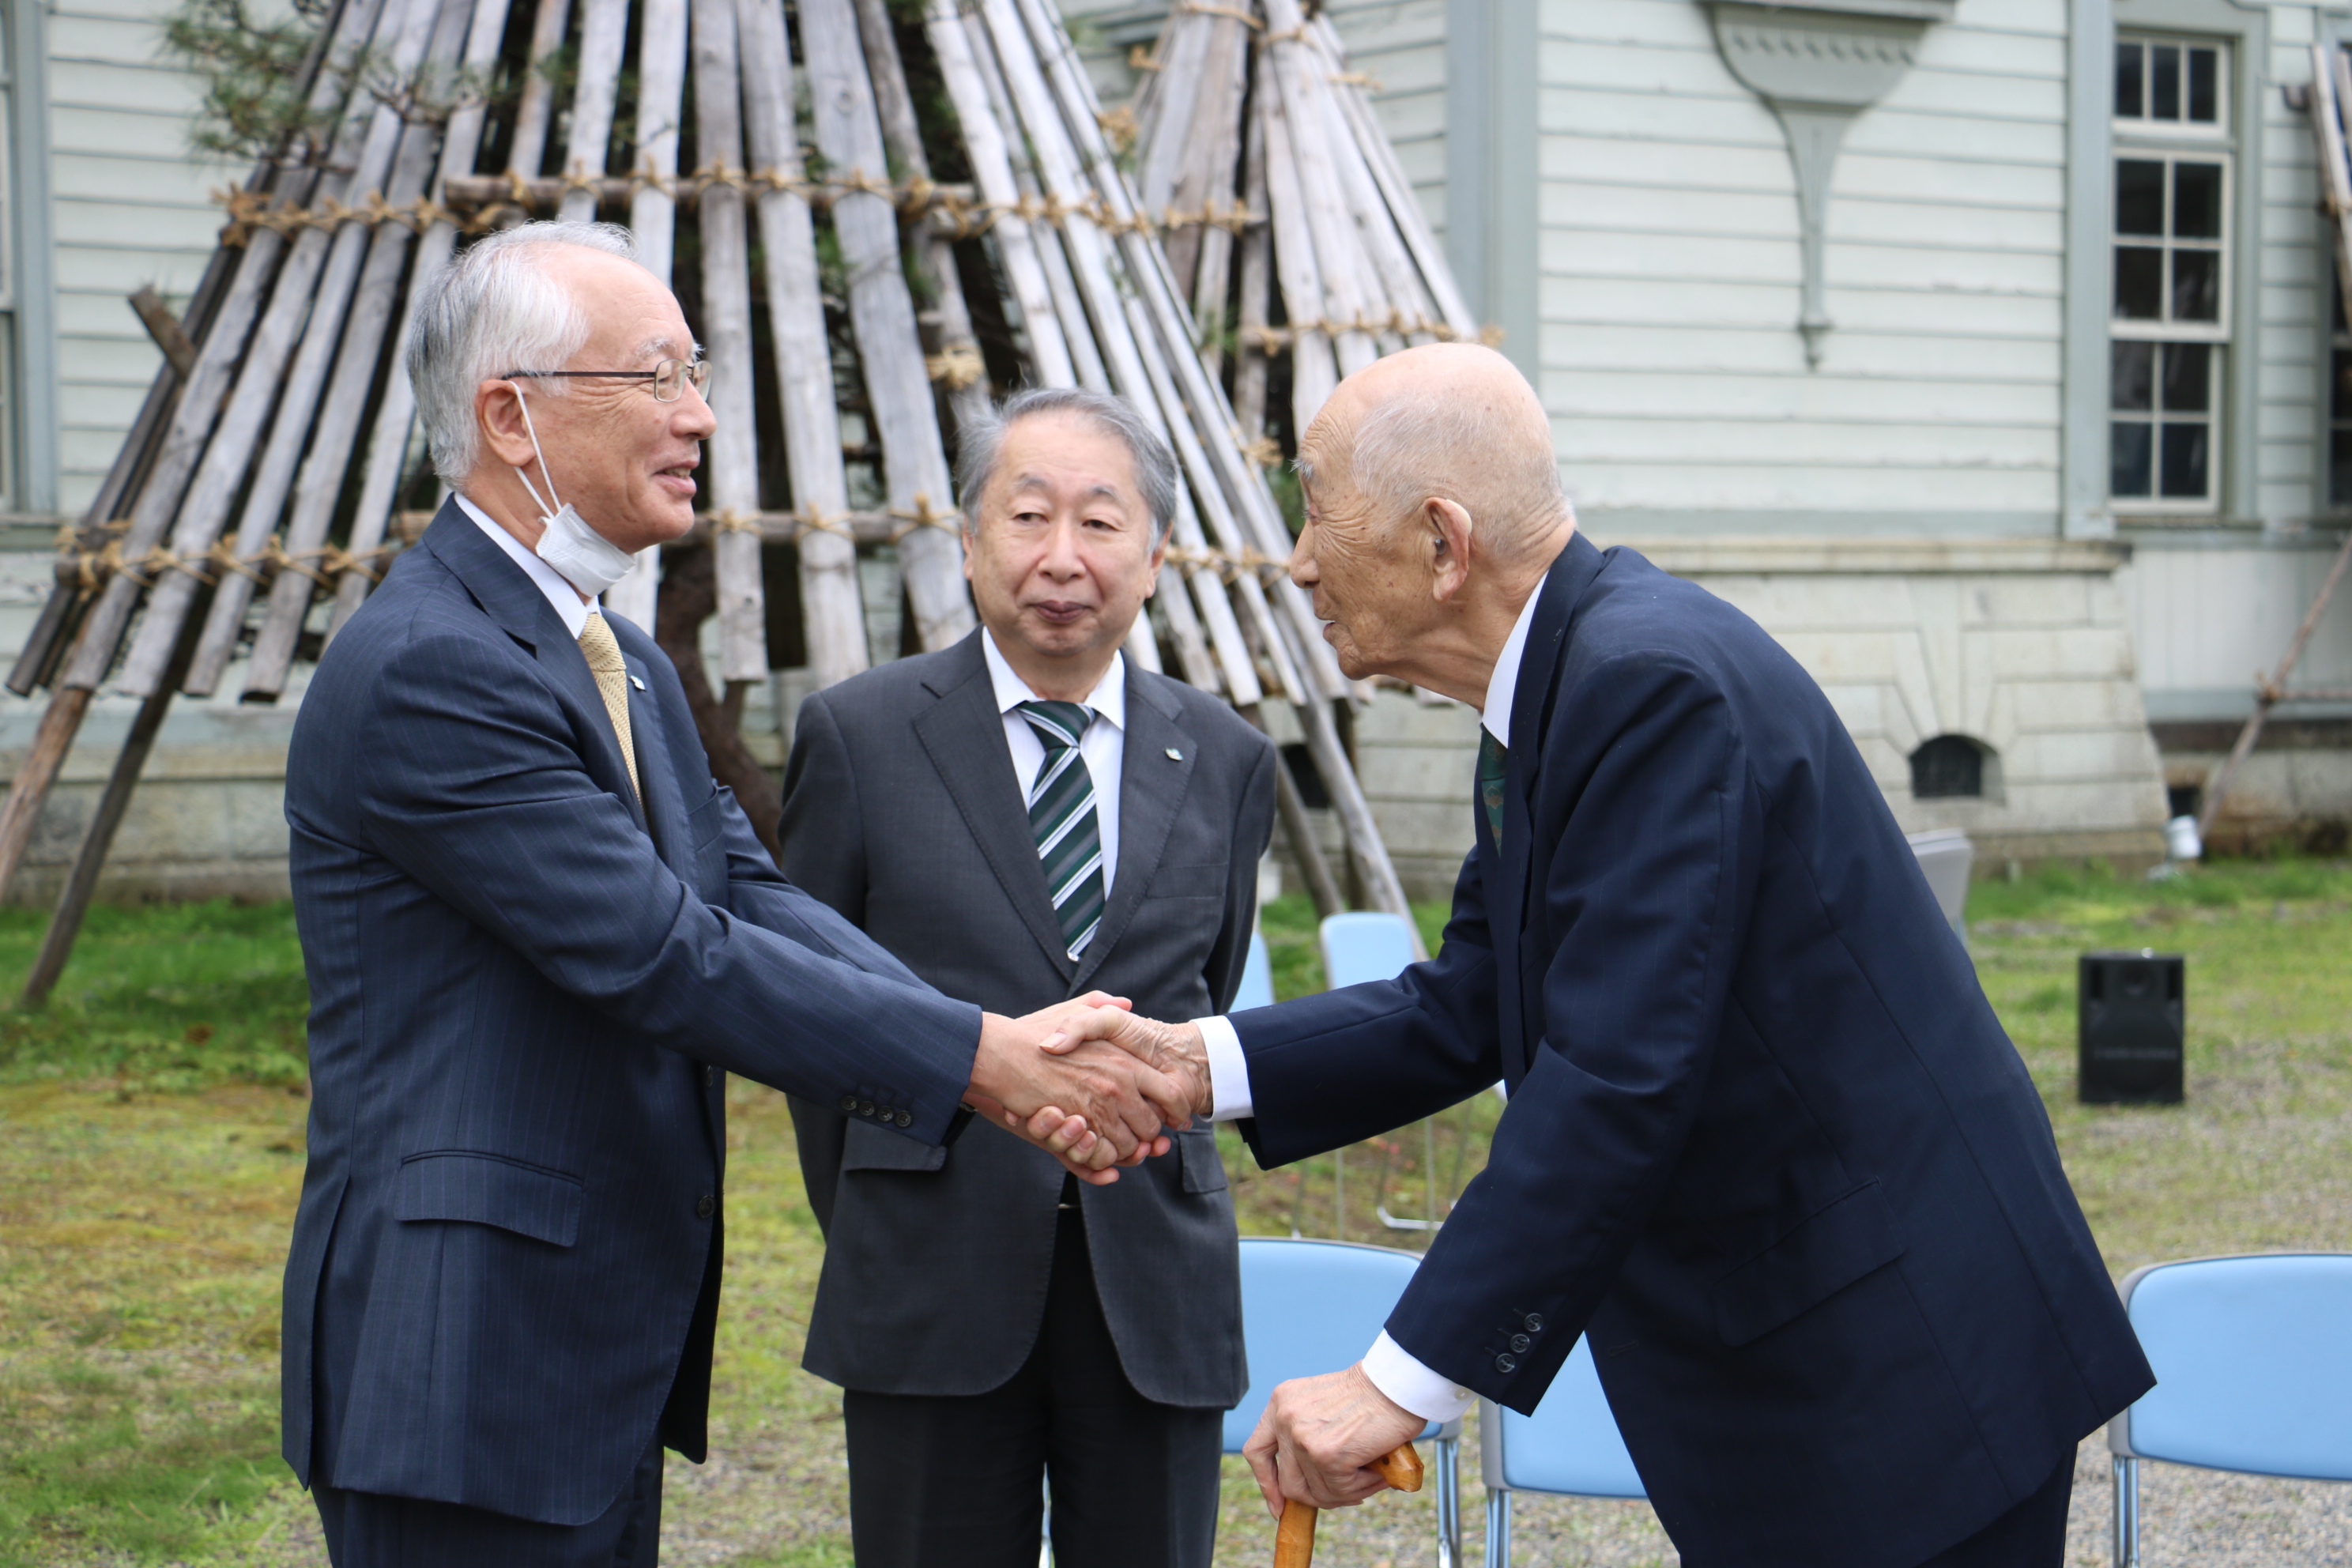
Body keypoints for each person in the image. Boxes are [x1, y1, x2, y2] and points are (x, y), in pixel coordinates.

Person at [1054, 343, 2156, 1568]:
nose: (1299, 557)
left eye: (1317, 508)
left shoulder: (1647, 688)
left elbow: (1614, 1079)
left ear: (1441, 544)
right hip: (1830, 1342)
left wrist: (1395, 1381)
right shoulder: (1565, 681)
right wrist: (1196, 1064)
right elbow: (1472, 999)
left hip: (1901, 1361)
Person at [278, 221, 1188, 1568]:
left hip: (577, 1339)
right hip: (465, 1344)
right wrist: (991, 1065)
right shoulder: (433, 665)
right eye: (654, 379)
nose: (699, 413)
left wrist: (1009, 1038)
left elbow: (750, 896)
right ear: (510, 417)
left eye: (693, 373)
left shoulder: (619, 659)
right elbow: (664, 954)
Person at [779, 386, 1277, 1568]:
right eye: (1027, 517)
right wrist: (875, 1209)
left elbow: (1206, 981)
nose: (1062, 558)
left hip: (1153, 1271)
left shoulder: (1224, 757)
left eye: (1101, 524)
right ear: (967, 543)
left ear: (1153, 557)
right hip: (928, 1267)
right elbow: (810, 1013)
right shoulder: (860, 736)